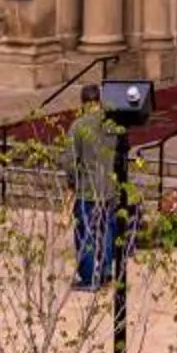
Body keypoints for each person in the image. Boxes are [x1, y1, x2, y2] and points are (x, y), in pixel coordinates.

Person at [64, 94, 121, 292]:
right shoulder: (112, 124)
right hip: (108, 187)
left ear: (83, 102)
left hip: (88, 189)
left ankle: (89, 277)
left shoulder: (79, 126)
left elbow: (70, 161)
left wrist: (72, 182)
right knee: (105, 230)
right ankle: (105, 272)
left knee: (86, 233)